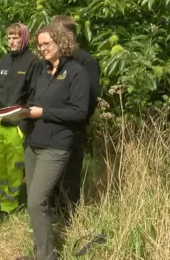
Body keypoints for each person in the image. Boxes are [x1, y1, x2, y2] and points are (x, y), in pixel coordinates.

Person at [16, 24, 90, 260]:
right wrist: (21, 113)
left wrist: (43, 112)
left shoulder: (77, 72)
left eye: (47, 43)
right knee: (36, 203)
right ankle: (40, 252)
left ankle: (47, 257)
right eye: (40, 44)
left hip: (56, 146)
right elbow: (33, 101)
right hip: (34, 144)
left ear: (61, 42)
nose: (43, 48)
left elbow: (79, 113)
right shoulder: (42, 71)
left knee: (36, 202)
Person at [51, 15, 101, 218]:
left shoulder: (86, 61)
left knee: (70, 176)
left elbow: (91, 97)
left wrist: (76, 121)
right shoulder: (55, 61)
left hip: (73, 128)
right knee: (53, 176)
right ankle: (53, 214)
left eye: (57, 34)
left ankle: (69, 218)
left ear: (70, 35)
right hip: (52, 128)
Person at [0, 23, 40, 214]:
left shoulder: (33, 62)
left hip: (18, 125)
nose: (11, 41)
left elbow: (34, 95)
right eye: (9, 37)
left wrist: (24, 124)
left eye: (16, 37)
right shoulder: (4, 60)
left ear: (24, 38)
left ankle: (9, 204)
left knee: (14, 167)